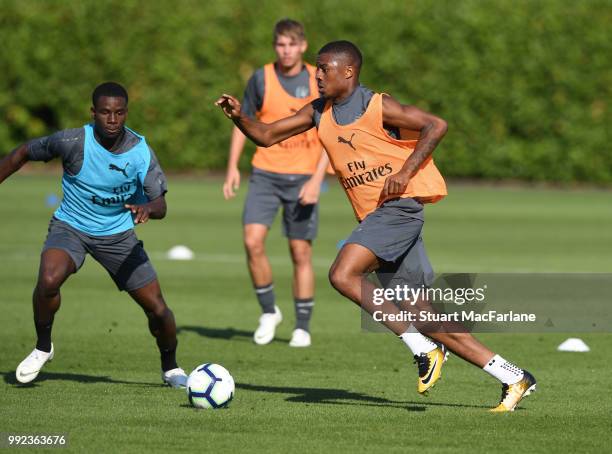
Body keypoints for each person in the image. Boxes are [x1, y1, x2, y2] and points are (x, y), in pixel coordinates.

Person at [216, 41, 537, 412]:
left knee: (342, 275)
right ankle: (513, 376)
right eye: (317, 69)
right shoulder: (320, 111)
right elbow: (268, 135)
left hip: (398, 211)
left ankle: (422, 348)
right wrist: (239, 116)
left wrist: (405, 171)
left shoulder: (377, 106)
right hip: (378, 220)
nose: (316, 75)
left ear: (348, 72)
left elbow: (437, 125)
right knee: (426, 317)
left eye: (324, 68)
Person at [1, 82, 188, 388]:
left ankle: (171, 368)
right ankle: (43, 348)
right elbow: (23, 152)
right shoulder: (73, 141)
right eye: (104, 112)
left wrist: (148, 209)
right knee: (48, 279)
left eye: (118, 113)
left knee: (158, 310)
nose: (111, 119)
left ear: (126, 113)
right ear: (93, 113)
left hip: (118, 237)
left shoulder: (140, 152)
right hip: (71, 227)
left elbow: (161, 204)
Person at [222, 19, 329, 348]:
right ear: (275, 47)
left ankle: (302, 326)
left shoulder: (318, 79)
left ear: (303, 46)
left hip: (303, 178)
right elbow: (244, 122)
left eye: (292, 45)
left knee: (300, 252)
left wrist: (317, 179)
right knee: (252, 241)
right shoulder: (261, 77)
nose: (286, 51)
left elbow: (332, 133)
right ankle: (269, 312)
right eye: (281, 45)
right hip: (265, 174)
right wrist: (232, 167)